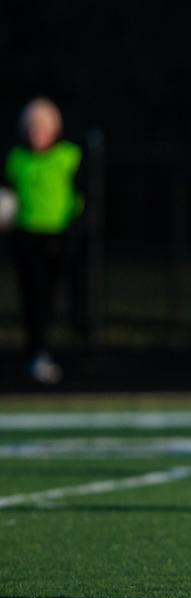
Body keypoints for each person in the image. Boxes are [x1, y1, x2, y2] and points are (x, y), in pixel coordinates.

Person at [4, 97, 83, 384]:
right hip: (26, 238)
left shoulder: (68, 156)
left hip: (60, 238)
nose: (37, 133)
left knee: (55, 298)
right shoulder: (16, 159)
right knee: (33, 298)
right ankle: (36, 353)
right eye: (32, 127)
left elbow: (81, 195)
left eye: (43, 127)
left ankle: (65, 348)